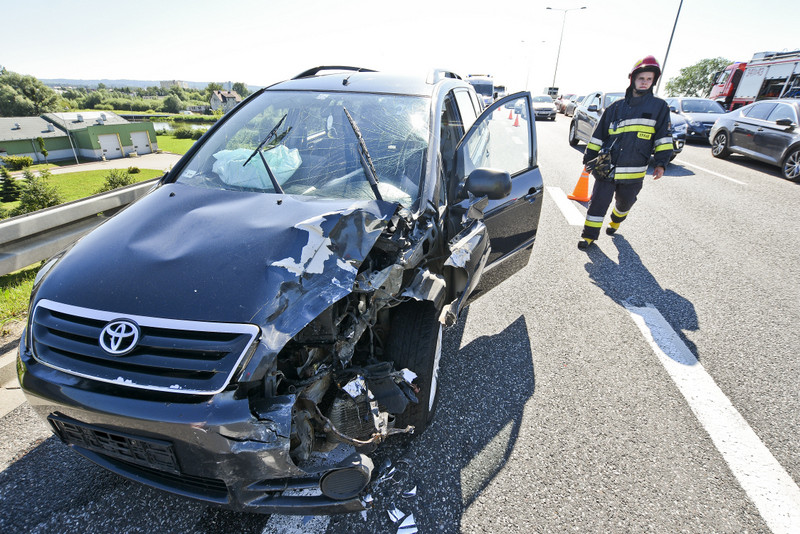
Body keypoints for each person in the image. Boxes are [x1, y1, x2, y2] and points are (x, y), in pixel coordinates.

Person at [578, 55, 673, 250]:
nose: (645, 82)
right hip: (608, 168)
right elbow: (598, 135)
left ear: (653, 81)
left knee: (625, 203)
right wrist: (589, 157)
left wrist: (661, 163)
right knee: (597, 203)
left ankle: (615, 221)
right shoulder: (616, 108)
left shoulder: (659, 108)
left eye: (649, 79)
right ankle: (589, 236)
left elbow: (663, 137)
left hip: (634, 171)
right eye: (641, 78)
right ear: (633, 80)